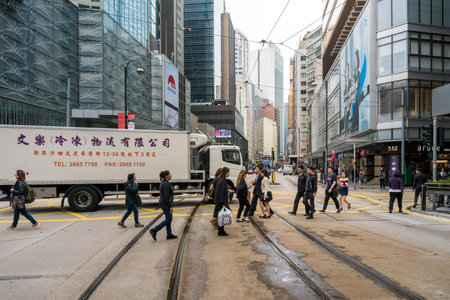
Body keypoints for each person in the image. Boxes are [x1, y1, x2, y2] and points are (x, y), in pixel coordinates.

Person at [149, 171, 177, 240]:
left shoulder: (164, 183)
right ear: (166, 176)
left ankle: (169, 234)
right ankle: (154, 230)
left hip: (164, 203)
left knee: (168, 218)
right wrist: (170, 206)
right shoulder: (166, 184)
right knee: (169, 219)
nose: (171, 175)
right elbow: (166, 196)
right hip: (165, 203)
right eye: (170, 174)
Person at [214, 167, 232, 236]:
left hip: (219, 201)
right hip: (221, 202)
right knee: (221, 216)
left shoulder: (221, 180)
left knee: (221, 216)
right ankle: (221, 232)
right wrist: (223, 204)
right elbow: (221, 193)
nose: (229, 173)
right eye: (229, 172)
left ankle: (221, 231)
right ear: (226, 172)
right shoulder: (222, 181)